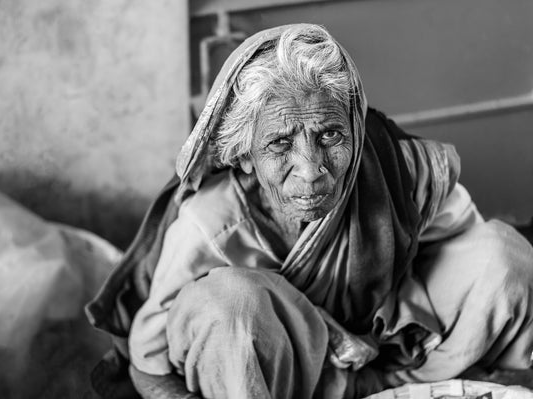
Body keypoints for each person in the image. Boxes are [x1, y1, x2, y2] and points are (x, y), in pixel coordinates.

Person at [86, 24, 533, 399]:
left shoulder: (397, 171)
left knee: (506, 256)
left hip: (403, 362)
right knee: (229, 305)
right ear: (244, 156)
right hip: (285, 385)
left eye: (330, 136)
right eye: (280, 143)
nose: (312, 170)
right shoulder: (211, 225)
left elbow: (474, 262)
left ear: (356, 131)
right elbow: (148, 365)